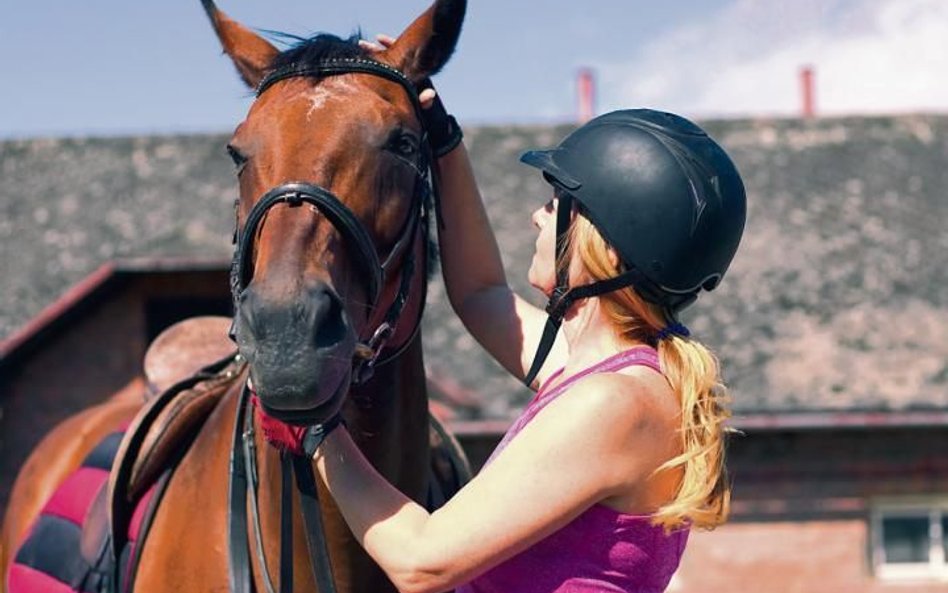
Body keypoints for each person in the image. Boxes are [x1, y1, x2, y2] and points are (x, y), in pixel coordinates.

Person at [289, 36, 746, 593]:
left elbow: (422, 562)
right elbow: (481, 294)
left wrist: (317, 428)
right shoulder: (603, 374)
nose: (536, 216)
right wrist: (444, 142)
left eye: (556, 204)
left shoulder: (615, 402)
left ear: (604, 241)